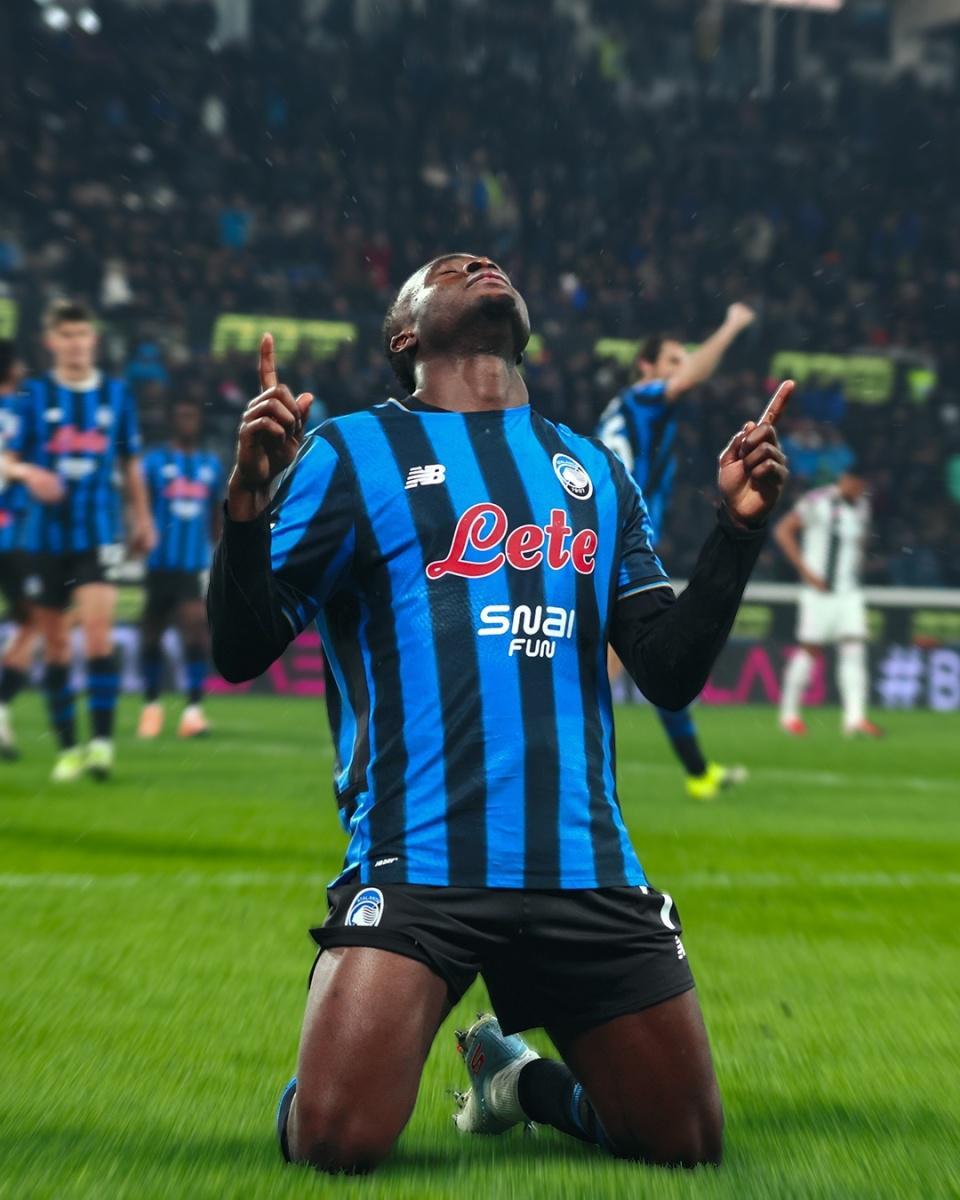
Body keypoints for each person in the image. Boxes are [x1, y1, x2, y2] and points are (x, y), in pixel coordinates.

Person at [208, 254, 791, 1175]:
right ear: (406, 335)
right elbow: (242, 648)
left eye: (488, 263)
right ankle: (335, 1077)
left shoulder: (594, 471)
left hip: (580, 861)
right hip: (422, 859)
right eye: (446, 269)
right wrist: (246, 507)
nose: (481, 264)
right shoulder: (349, 453)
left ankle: (517, 1085)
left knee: (682, 1142)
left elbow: (668, 671)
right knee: (336, 1140)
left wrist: (738, 532)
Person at [597, 307, 755, 801]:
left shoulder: (624, 412)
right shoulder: (642, 399)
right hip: (616, 546)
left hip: (609, 541)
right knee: (606, 671)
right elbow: (686, 381)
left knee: (659, 660)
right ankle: (567, 781)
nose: (679, 369)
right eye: (670, 360)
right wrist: (730, 326)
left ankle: (697, 772)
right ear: (645, 366)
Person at [11, 300, 156, 781]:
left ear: (93, 339)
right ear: (51, 341)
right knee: (55, 645)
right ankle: (68, 749)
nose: (75, 344)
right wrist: (28, 473)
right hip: (43, 536)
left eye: (82, 334)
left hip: (98, 532)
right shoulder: (33, 395)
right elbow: (6, 457)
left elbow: (130, 464)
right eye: (66, 335)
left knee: (97, 634)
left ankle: (101, 745)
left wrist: (143, 519)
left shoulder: (117, 395)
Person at [137, 398, 222, 740]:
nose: (188, 422)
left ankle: (193, 711)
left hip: (192, 565)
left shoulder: (210, 465)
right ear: (173, 421)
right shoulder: (153, 462)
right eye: (183, 416)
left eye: (193, 416)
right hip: (158, 563)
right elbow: (139, 505)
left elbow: (215, 513)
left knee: (196, 629)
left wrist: (219, 553)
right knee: (152, 634)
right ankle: (151, 705)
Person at [775, 468, 883, 737]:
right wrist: (806, 572)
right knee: (810, 650)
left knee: (854, 648)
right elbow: (783, 531)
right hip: (819, 591)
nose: (858, 490)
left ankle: (854, 719)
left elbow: (859, 543)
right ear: (845, 480)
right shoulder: (817, 501)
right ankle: (789, 715)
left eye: (862, 486)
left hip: (849, 591)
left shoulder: (863, 507)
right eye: (855, 484)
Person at [0, 339, 63, 759]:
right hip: (13, 535)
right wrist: (29, 473)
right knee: (38, 619)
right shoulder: (17, 410)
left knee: (31, 619)